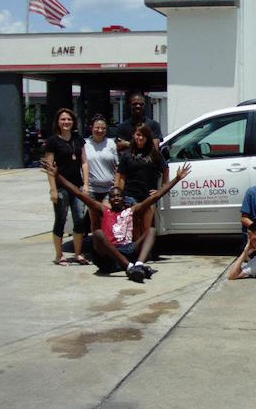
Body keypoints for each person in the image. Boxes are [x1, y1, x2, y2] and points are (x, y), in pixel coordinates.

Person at [41, 159, 191, 283]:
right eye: (112, 196)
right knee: (98, 234)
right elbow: (79, 193)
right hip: (109, 256)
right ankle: (129, 268)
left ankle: (138, 264)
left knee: (151, 231)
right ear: (110, 200)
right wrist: (57, 176)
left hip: (128, 250)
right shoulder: (104, 210)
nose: (116, 198)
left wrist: (176, 179)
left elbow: (154, 197)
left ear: (123, 197)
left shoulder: (131, 210)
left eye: (119, 195)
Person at [43, 108, 89, 266]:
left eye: (68, 119)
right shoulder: (52, 141)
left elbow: (84, 162)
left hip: (77, 187)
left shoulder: (78, 139)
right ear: (58, 122)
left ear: (73, 122)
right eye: (63, 119)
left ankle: (78, 254)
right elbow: (49, 168)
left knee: (80, 220)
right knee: (60, 220)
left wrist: (86, 184)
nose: (66, 122)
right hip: (61, 187)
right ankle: (59, 255)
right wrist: (54, 190)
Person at [116, 124, 169, 234]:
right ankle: (136, 250)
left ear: (147, 137)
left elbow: (165, 169)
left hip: (148, 197)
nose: (140, 138)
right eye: (138, 135)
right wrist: (120, 194)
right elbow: (121, 177)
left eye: (143, 136)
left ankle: (146, 250)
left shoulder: (154, 153)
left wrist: (162, 188)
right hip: (130, 196)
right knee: (134, 228)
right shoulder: (126, 155)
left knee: (146, 227)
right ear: (134, 135)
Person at [83, 114, 118, 231]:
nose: (100, 130)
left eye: (103, 128)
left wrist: (117, 187)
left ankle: (107, 247)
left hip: (109, 189)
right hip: (92, 190)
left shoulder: (111, 144)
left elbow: (118, 167)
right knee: (94, 222)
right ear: (91, 128)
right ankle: (96, 246)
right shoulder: (85, 145)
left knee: (107, 220)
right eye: (97, 127)